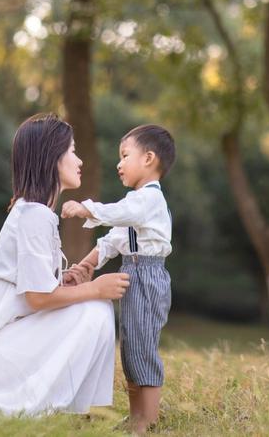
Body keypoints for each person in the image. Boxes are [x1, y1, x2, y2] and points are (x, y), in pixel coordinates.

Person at [0, 113, 129, 416]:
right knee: (95, 309)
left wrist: (63, 281)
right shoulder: (34, 216)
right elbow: (37, 298)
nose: (79, 161)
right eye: (72, 151)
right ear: (52, 157)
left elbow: (35, 290)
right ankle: (55, 405)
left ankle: (74, 407)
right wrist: (94, 289)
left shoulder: (33, 211)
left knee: (92, 307)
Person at [61, 124, 175, 434]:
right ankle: (136, 414)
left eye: (125, 156)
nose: (119, 163)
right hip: (132, 271)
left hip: (148, 275)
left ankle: (148, 419)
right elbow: (113, 240)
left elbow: (120, 214)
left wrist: (87, 209)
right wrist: (86, 265)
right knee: (129, 347)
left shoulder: (147, 201)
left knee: (142, 346)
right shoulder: (136, 206)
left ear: (149, 158)